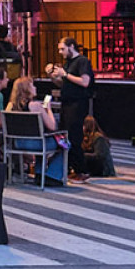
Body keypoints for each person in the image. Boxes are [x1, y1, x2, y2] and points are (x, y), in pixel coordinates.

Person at [45, 37, 95, 182]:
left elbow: (85, 82)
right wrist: (52, 75)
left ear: (71, 46)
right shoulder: (68, 63)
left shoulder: (82, 61)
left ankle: (81, 170)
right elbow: (63, 84)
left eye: (62, 49)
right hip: (67, 102)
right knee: (65, 135)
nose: (60, 52)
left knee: (74, 135)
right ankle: (70, 167)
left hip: (78, 103)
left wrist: (65, 74)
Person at [6, 76, 70, 184]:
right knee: (65, 143)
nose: (35, 87)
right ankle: (52, 175)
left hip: (18, 143)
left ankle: (39, 174)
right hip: (36, 144)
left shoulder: (10, 106)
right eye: (32, 85)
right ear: (27, 89)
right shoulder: (34, 105)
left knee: (41, 139)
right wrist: (48, 109)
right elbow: (52, 126)